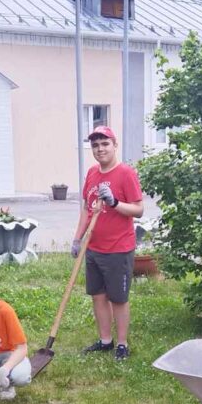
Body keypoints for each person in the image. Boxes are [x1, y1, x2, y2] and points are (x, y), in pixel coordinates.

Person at [70, 126, 144, 361]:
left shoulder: (125, 173)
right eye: (95, 145)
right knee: (98, 295)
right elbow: (86, 209)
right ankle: (105, 341)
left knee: (118, 298)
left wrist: (114, 202)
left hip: (118, 249)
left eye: (104, 144)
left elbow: (138, 210)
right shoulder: (92, 173)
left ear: (115, 145)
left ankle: (122, 344)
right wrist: (77, 238)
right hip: (94, 247)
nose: (100, 149)